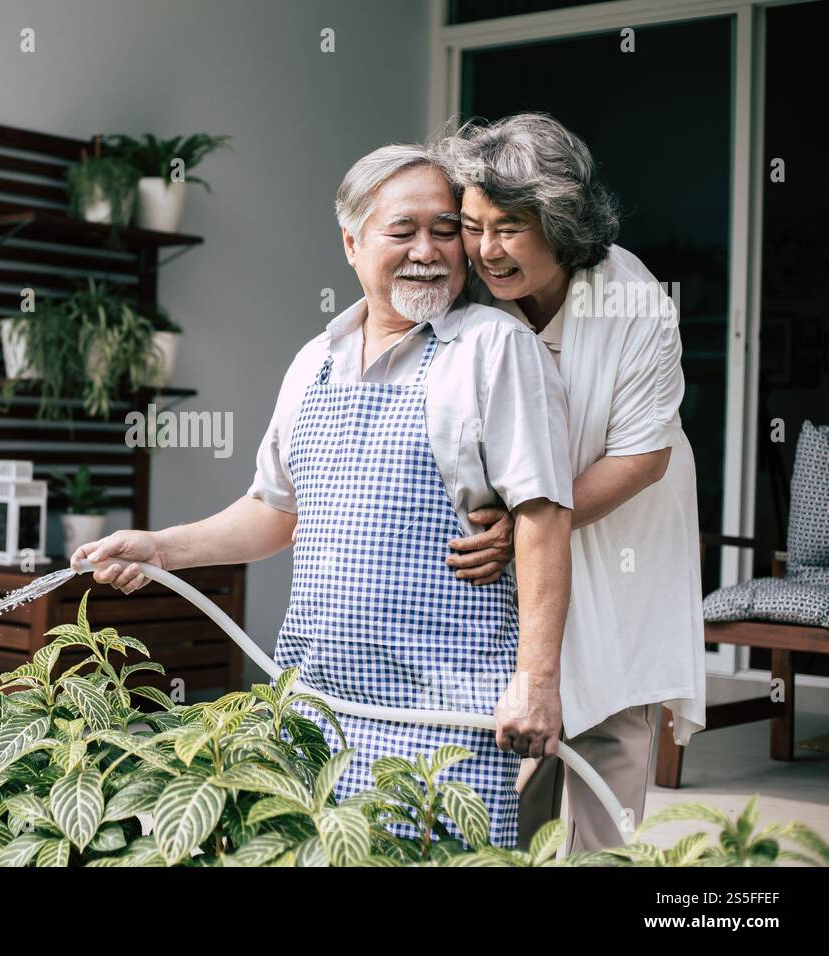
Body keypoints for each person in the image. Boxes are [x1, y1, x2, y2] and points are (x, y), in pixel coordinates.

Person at [73, 141, 574, 849]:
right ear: (352, 242)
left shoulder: (493, 348)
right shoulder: (315, 361)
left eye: (444, 229)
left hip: (446, 717)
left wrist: (537, 681)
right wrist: (160, 546)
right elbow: (274, 512)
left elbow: (544, 516)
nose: (428, 250)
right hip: (315, 710)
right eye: (402, 231)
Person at [440, 113, 707, 853]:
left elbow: (642, 457)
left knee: (611, 712)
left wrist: (528, 526)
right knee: (519, 733)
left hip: (621, 523)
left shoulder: (634, 300)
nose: (485, 250)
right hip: (516, 536)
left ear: (560, 221)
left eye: (510, 228)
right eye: (471, 225)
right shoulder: (468, 296)